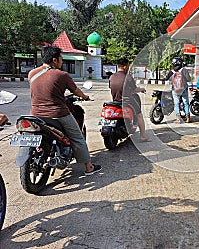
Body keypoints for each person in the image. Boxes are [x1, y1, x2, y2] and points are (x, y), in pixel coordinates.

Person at [28, 46, 101, 176]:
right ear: (55, 60)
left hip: (35, 114)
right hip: (57, 113)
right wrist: (85, 97)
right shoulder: (62, 75)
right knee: (77, 137)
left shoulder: (32, 74)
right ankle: (89, 167)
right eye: (61, 58)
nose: (62, 61)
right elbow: (76, 91)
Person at [109, 58, 151, 141]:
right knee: (139, 115)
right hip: (127, 101)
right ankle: (143, 136)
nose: (129, 67)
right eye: (128, 65)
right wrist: (142, 89)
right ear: (124, 66)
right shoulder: (127, 77)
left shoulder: (112, 76)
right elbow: (134, 89)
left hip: (115, 101)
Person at [166, 57, 191, 123]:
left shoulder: (171, 72)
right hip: (184, 89)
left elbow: (167, 79)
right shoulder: (184, 70)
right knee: (186, 103)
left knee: (176, 104)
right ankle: (187, 118)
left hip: (175, 90)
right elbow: (188, 79)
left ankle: (178, 119)